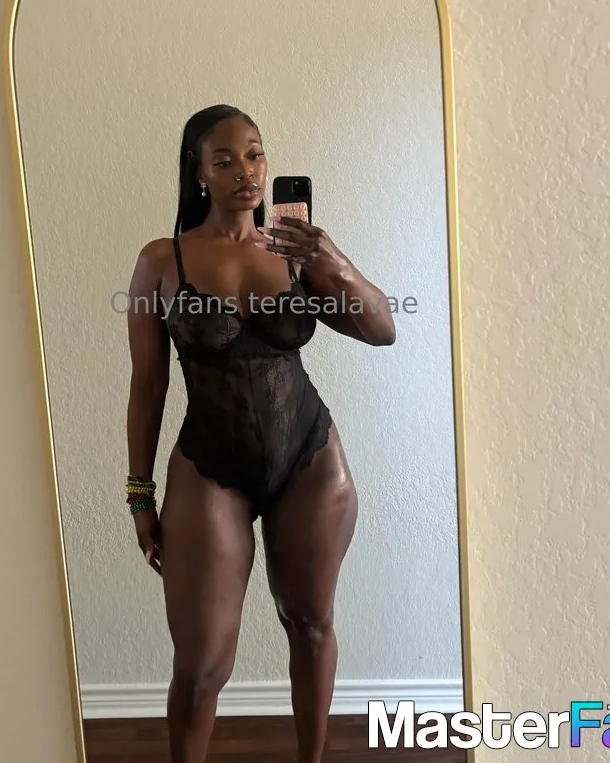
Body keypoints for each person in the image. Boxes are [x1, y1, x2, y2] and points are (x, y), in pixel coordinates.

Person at [124, 104, 396, 763]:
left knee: (311, 623)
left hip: (309, 458)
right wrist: (139, 494)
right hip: (209, 465)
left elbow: (382, 328)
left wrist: (332, 259)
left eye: (254, 154)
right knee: (203, 665)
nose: (245, 171)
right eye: (224, 160)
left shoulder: (296, 254)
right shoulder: (163, 260)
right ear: (199, 174)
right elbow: (149, 385)